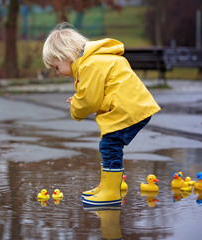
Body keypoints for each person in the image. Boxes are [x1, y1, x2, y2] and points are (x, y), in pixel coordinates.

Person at [42, 23, 161, 207]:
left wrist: (75, 107)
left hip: (127, 110)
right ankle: (106, 186)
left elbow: (89, 101)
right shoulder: (95, 60)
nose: (57, 73)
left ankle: (111, 193)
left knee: (110, 146)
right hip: (131, 106)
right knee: (108, 145)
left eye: (56, 67)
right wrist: (79, 97)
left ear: (65, 55)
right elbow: (96, 92)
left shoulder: (90, 65)